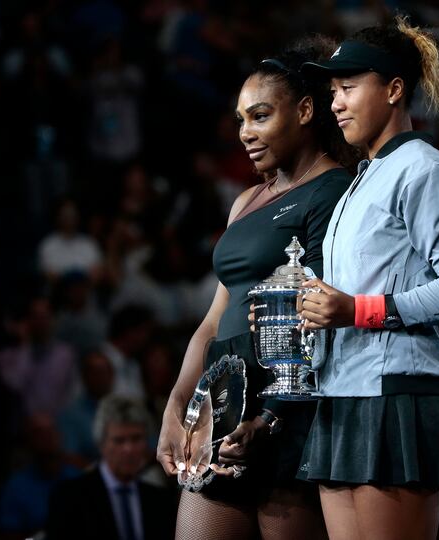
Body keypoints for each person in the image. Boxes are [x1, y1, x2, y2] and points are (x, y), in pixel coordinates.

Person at [295, 15, 439, 540]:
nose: (335, 103)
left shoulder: (426, 169)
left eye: (349, 87)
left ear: (394, 90)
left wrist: (358, 310)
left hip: (399, 396)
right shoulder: (362, 177)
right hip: (343, 393)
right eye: (333, 90)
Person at [156, 38, 354, 540]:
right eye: (242, 119)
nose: (246, 133)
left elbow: (319, 314)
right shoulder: (245, 201)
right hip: (224, 395)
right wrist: (178, 404)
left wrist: (272, 417)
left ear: (306, 110)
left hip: (289, 404)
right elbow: (212, 319)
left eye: (261, 116)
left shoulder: (335, 192)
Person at [46, 395, 177, 540]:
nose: (129, 449)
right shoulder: (69, 498)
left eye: (136, 438)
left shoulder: (160, 501)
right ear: (101, 444)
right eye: (119, 440)